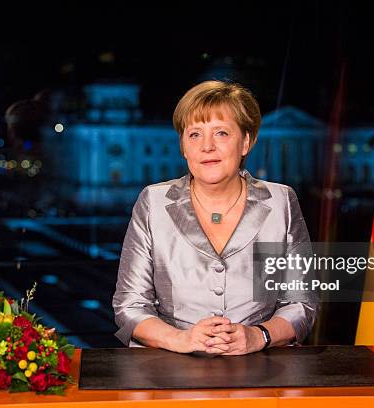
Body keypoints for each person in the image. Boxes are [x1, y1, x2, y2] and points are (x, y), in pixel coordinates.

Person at [112, 80, 318, 355]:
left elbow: (302, 302)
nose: (206, 146)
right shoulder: (153, 202)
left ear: (246, 141)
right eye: (194, 134)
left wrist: (258, 336)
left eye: (221, 133)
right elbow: (129, 306)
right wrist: (181, 339)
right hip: (169, 373)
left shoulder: (281, 201)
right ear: (184, 147)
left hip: (262, 372)